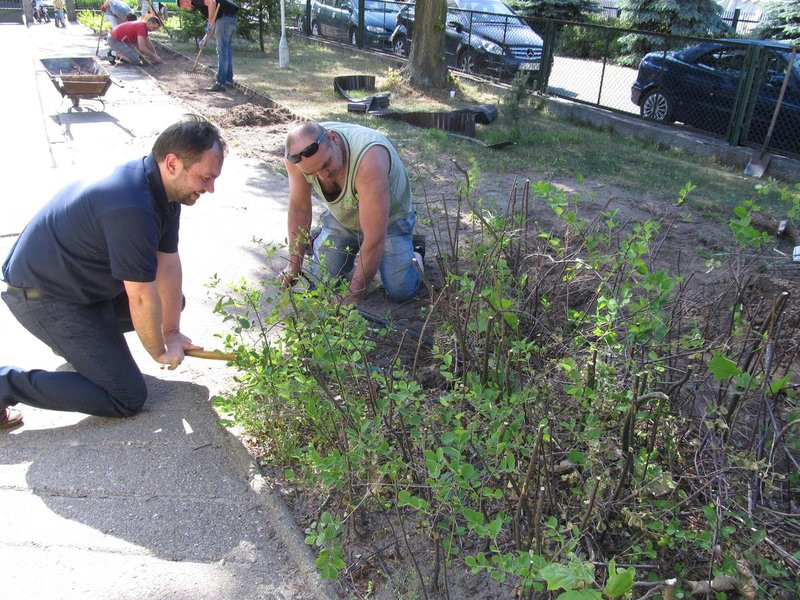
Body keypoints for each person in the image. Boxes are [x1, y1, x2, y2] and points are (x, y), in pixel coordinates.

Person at [0, 116, 226, 430]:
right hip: (42, 297)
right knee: (125, 396)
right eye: (205, 178)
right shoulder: (132, 207)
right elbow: (141, 297)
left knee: (172, 302)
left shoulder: (165, 192)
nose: (210, 188)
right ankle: (6, 384)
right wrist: (160, 351)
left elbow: (168, 265)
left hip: (80, 288)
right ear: (173, 163)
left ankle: (81, 346)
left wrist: (171, 331)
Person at [280, 121, 423, 305]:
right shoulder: (296, 158)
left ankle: (416, 251)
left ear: (333, 138)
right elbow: (299, 208)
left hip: (389, 221)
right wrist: (294, 264)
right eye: (313, 173)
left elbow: (374, 239)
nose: (323, 176)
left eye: (325, 164)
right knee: (322, 283)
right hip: (343, 218)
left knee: (401, 290)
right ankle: (330, 242)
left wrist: (353, 296)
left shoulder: (369, 159)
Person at [178, 0, 239, 92]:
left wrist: (210, 22)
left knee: (222, 50)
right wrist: (204, 40)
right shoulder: (200, 6)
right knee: (226, 49)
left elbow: (212, 2)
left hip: (224, 17)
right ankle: (228, 80)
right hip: (230, 16)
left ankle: (220, 83)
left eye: (184, 7)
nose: (186, 9)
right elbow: (211, 28)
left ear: (184, 1)